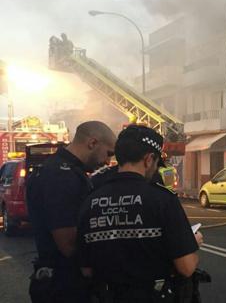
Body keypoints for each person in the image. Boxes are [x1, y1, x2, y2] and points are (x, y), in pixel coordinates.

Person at [77, 125, 203, 302]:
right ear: (149, 159)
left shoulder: (90, 202)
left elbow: (86, 269)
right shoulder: (163, 200)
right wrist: (192, 242)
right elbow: (186, 267)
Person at [26, 121, 116, 303]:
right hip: (65, 285)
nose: (108, 161)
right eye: (108, 153)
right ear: (92, 143)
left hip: (59, 281)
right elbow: (68, 244)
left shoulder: (63, 170)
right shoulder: (62, 177)